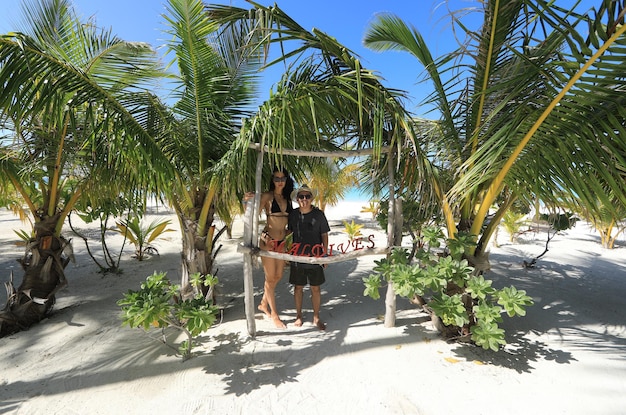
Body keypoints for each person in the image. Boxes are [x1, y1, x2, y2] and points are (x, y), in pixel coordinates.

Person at [244, 167, 294, 329]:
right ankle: (274, 315)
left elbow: (289, 223)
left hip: (281, 242)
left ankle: (263, 304)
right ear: (272, 180)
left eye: (282, 179)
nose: (280, 182)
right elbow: (251, 214)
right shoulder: (267, 196)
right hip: (268, 241)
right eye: (276, 178)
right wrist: (246, 201)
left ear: (286, 180)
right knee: (270, 277)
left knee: (278, 275)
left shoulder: (288, 198)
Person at [287, 184, 330, 330]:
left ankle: (316, 317)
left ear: (311, 198)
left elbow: (324, 234)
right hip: (297, 257)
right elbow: (288, 233)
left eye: (307, 196)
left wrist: (325, 255)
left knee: (315, 288)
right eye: (301, 196)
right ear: (297, 199)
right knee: (298, 288)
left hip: (315, 257)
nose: (304, 199)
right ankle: (298, 316)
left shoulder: (319, 215)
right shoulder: (293, 214)